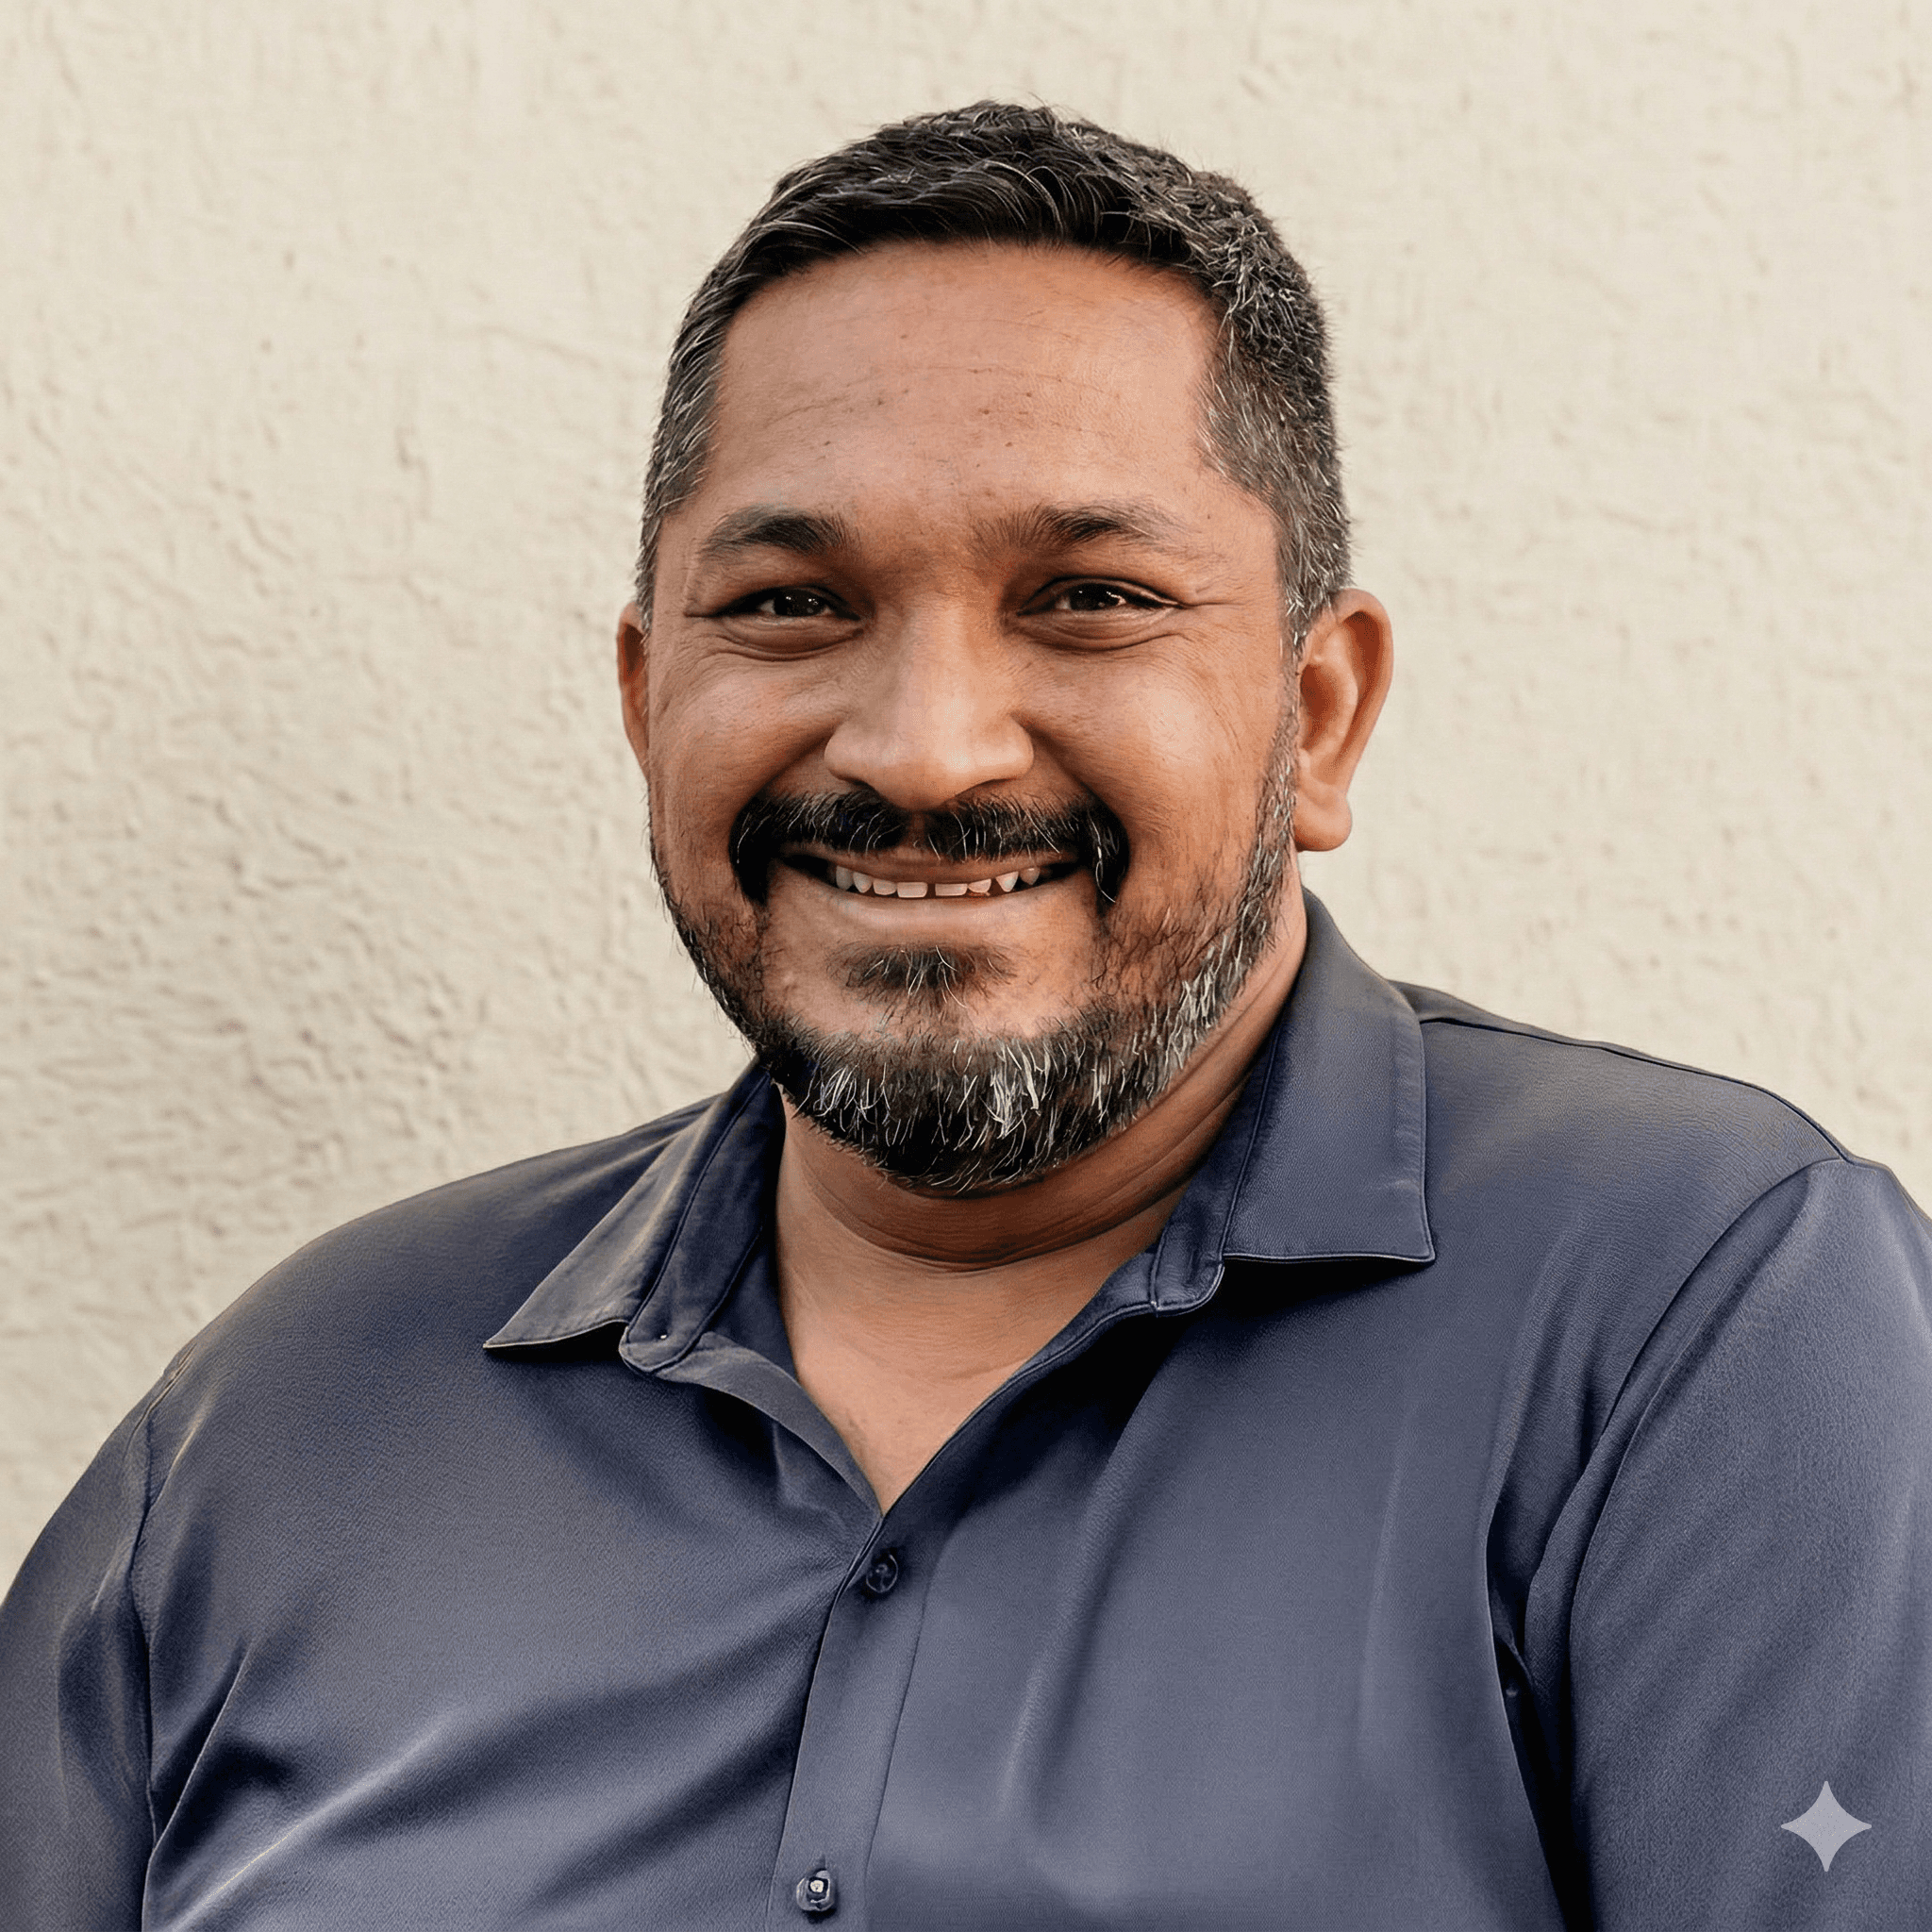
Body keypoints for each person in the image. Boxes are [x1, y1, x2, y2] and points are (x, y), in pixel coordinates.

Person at [3, 100, 1927, 1930]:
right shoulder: (291, 1418)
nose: (924, 749)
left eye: (1089, 599)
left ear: (1321, 714)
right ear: (645, 699)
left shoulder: (1699, 1317)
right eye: (788, 605)